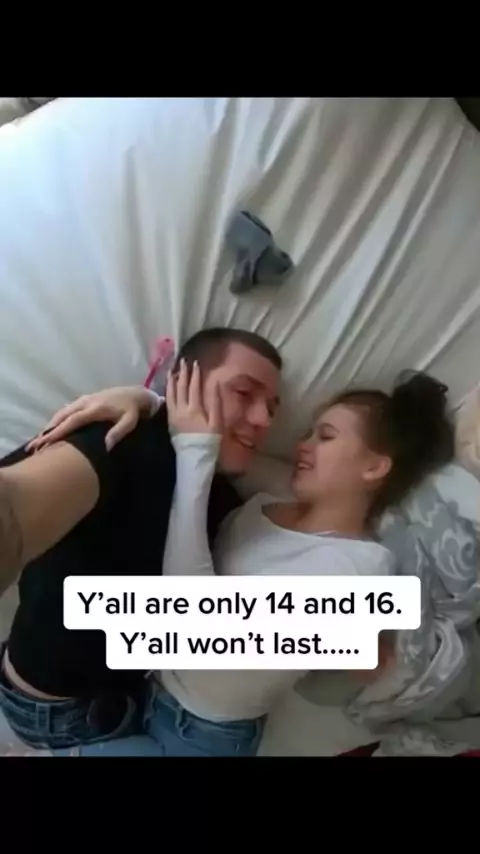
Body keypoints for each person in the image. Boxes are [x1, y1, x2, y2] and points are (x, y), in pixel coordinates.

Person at [46, 364, 455, 757]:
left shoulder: (357, 567)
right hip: (144, 690)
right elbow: (210, 441)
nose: (302, 444)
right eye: (308, 433)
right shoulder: (273, 498)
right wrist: (146, 401)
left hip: (200, 738)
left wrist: (195, 450)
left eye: (325, 436)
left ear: (375, 467)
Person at [0, 328, 282, 750]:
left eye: (273, 408)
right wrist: (152, 404)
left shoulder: (223, 498)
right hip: (64, 711)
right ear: (182, 384)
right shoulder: (120, 439)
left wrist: (154, 402)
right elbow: (15, 510)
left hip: (120, 684)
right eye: (244, 393)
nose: (264, 420)